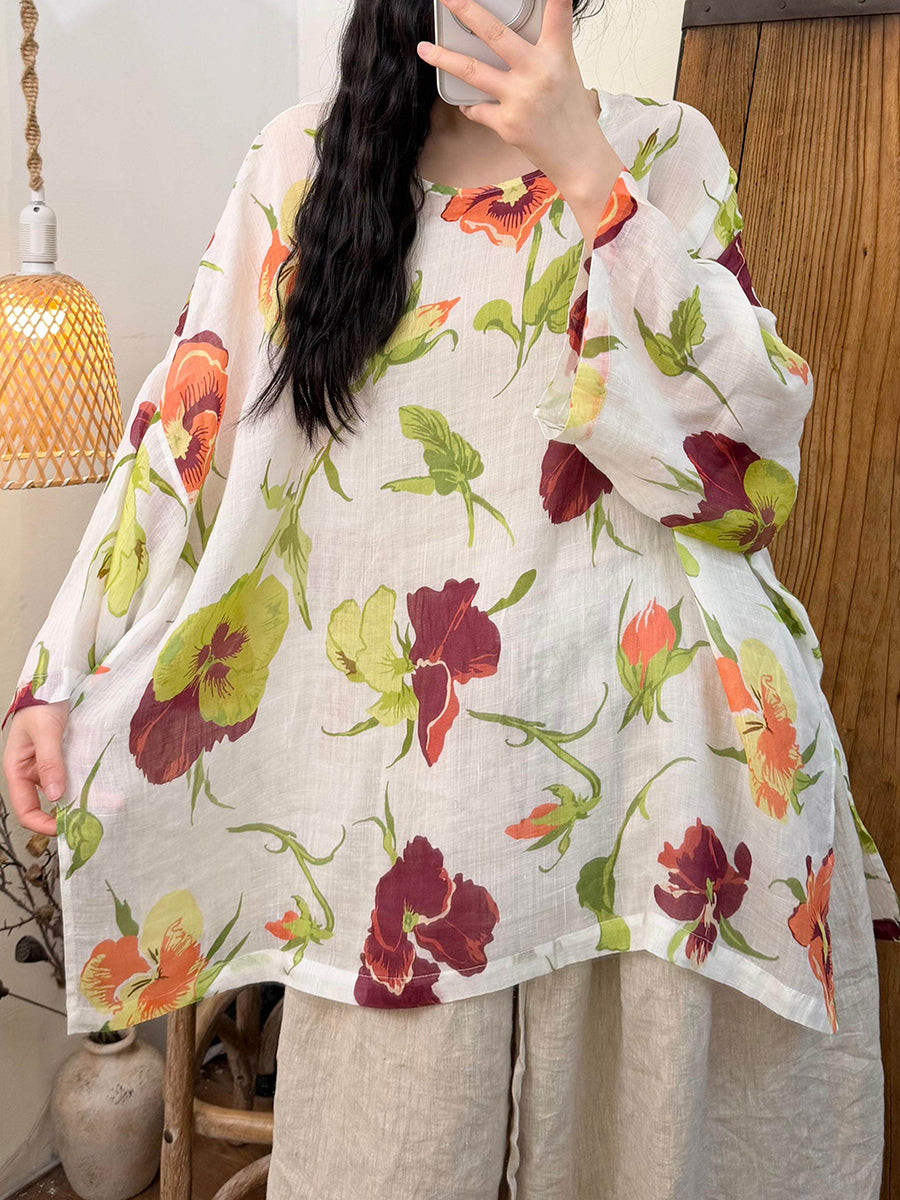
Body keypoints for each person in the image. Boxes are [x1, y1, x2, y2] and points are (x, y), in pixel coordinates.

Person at [3, 0, 899, 1196]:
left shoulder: (664, 148)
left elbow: (744, 475)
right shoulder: (299, 166)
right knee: (386, 1162)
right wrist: (59, 671)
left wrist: (588, 171)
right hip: (402, 812)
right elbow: (182, 439)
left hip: (657, 778)